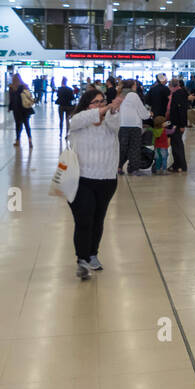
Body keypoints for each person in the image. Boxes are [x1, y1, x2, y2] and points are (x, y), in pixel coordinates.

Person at [65, 87, 123, 279]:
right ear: (87, 105)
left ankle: (92, 254)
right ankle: (81, 259)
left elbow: (115, 125)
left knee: (98, 220)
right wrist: (102, 109)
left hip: (106, 180)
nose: (100, 105)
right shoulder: (78, 121)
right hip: (81, 180)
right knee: (84, 219)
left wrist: (113, 110)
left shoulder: (109, 122)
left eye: (102, 101)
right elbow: (77, 120)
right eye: (95, 102)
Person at [116, 79, 150, 174]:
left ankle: (118, 167)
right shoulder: (133, 95)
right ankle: (133, 168)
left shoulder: (120, 95)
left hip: (122, 125)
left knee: (122, 147)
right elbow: (141, 111)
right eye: (135, 85)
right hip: (134, 125)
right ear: (132, 86)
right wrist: (148, 114)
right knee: (134, 147)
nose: (136, 86)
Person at [166, 77, 189, 173]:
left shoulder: (178, 94)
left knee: (177, 144)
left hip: (177, 123)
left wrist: (182, 125)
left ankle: (181, 165)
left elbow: (181, 110)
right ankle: (177, 164)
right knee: (175, 144)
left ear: (172, 86)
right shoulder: (176, 93)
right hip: (175, 123)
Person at [9, 73, 34, 148]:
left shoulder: (12, 87)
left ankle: (17, 140)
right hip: (25, 108)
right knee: (27, 125)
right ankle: (30, 140)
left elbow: (12, 99)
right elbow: (29, 96)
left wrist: (10, 108)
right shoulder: (24, 86)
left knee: (18, 125)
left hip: (16, 109)